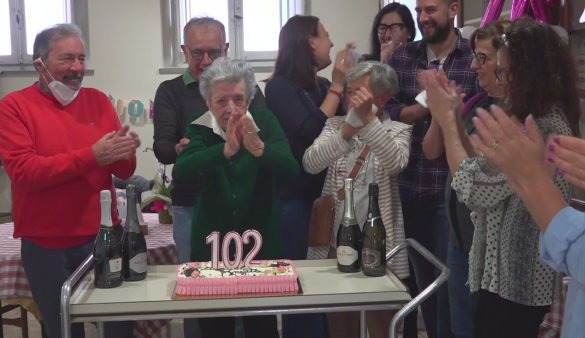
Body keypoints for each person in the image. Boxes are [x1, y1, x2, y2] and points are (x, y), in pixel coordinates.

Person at [420, 17, 580, 338]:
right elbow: (482, 168)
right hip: (501, 278)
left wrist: (447, 122)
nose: (496, 75)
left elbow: (473, 186)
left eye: (503, 70)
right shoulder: (522, 116)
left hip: (519, 283)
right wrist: (451, 117)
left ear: (527, 74)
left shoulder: (541, 125)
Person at [0, 24, 139, 338]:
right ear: (40, 64)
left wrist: (124, 152)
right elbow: (25, 172)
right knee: (63, 329)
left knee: (118, 326)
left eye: (81, 58)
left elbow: (125, 171)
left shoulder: (99, 101)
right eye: (66, 59)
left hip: (104, 237)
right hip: (47, 247)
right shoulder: (13, 107)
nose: (77, 68)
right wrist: (92, 155)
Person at [174, 57, 299, 338]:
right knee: (215, 327)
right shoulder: (200, 127)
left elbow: (291, 170)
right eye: (221, 101)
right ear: (208, 102)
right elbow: (183, 169)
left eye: (239, 99)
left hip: (260, 244)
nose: (231, 109)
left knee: (261, 327)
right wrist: (225, 151)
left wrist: (259, 149)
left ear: (249, 99)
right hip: (212, 249)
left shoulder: (264, 121)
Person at [385, 1, 480, 336]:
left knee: (453, 288)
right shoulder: (402, 57)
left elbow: (478, 120)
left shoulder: (473, 58)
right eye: (419, 10)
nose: (422, 18)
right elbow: (390, 110)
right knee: (425, 287)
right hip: (410, 185)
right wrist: (425, 107)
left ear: (453, 8)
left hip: (453, 192)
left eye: (431, 10)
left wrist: (446, 111)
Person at [303, 61, 412, 338]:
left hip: (379, 241)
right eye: (349, 92)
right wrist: (346, 131)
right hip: (336, 239)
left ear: (383, 96)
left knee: (383, 323)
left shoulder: (398, 130)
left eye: (359, 92)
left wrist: (368, 123)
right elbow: (310, 163)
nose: (351, 99)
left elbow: (395, 163)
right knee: (341, 320)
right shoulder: (334, 125)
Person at [265, 15, 354, 338]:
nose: (331, 41)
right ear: (309, 42)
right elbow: (305, 132)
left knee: (325, 285)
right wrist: (338, 85)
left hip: (325, 197)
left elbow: (338, 130)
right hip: (294, 201)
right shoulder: (278, 87)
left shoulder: (317, 85)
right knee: (301, 286)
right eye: (326, 35)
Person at [421, 20, 509, 338]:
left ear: (504, 62)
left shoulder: (514, 113)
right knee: (459, 327)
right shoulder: (478, 105)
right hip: (461, 242)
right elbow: (439, 151)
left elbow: (474, 178)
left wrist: (447, 117)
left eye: (483, 58)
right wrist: (450, 117)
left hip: (490, 250)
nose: (474, 66)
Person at [153, 16, 266, 264]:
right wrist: (178, 148)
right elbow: (162, 147)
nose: (206, 61)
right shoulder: (170, 91)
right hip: (192, 202)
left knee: (248, 283)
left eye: (214, 52)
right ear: (184, 51)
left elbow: (265, 137)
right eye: (197, 53)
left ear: (226, 50)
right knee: (195, 280)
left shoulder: (247, 88)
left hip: (244, 202)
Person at [468, 109, 583, 338]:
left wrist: (534, 181)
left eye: (503, 71)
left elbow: (471, 188)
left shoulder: (548, 126)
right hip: (498, 274)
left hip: (524, 283)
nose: (475, 69)